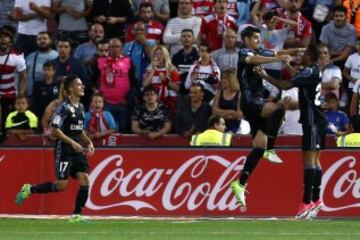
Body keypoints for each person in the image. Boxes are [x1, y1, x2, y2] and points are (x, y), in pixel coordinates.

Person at [254, 45, 328, 219]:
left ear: (310, 56)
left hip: (313, 121)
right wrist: (288, 66)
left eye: (303, 54)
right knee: (315, 161)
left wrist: (264, 75)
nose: (299, 56)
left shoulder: (309, 71)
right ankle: (316, 200)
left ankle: (306, 203)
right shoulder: (313, 70)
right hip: (318, 120)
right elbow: (298, 77)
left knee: (309, 162)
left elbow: (286, 85)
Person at [15, 75, 95, 223]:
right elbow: (55, 130)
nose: (82, 87)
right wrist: (72, 143)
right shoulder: (63, 108)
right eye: (79, 85)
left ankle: (76, 215)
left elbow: (79, 130)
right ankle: (29, 189)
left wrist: (88, 142)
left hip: (77, 150)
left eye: (82, 84)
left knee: (84, 179)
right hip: (64, 149)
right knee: (61, 185)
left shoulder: (82, 107)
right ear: (70, 89)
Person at [230, 26, 290, 208]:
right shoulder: (244, 52)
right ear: (247, 39)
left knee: (258, 147)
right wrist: (276, 58)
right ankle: (271, 150)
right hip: (250, 101)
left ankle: (239, 184)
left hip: (255, 102)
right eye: (255, 38)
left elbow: (278, 51)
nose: (258, 40)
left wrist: (297, 51)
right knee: (278, 110)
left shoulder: (259, 50)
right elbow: (254, 59)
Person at [0, 29, 27, 133]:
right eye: (0, 37)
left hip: (10, 94)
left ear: (10, 41)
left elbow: (23, 77)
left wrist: (20, 95)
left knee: (7, 120)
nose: (2, 39)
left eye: (5, 37)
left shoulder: (17, 57)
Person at [25, 31, 58, 101]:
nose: (42, 41)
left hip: (51, 95)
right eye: (39, 39)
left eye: (45, 39)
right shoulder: (30, 56)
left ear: (50, 40)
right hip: (31, 94)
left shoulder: (56, 55)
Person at [212, 68, 242, 133]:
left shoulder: (239, 94)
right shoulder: (219, 93)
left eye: (225, 78)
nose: (222, 80)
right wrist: (231, 111)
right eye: (222, 78)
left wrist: (221, 113)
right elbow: (214, 111)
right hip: (220, 126)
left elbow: (240, 114)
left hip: (235, 127)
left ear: (232, 79)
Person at [172, 29, 199, 94]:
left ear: (193, 39)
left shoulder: (198, 56)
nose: (186, 38)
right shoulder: (176, 57)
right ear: (181, 39)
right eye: (184, 36)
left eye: (189, 36)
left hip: (195, 90)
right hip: (179, 91)